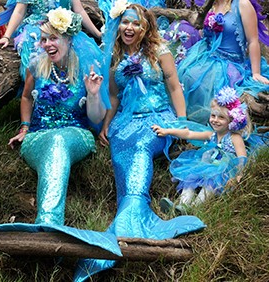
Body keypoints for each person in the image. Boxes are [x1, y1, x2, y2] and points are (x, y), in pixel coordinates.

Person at [73, 3, 206, 281]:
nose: (129, 28)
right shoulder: (115, 57)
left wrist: (180, 124)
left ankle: (130, 218)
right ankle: (130, 214)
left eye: (135, 23)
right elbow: (115, 96)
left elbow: (173, 87)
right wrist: (107, 124)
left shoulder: (160, 52)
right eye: (124, 23)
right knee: (123, 150)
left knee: (143, 145)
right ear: (118, 27)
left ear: (145, 27)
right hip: (125, 121)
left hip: (158, 119)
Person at [8, 7, 106, 225]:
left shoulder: (85, 68)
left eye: (53, 38)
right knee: (54, 145)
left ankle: (48, 223)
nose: (47, 45)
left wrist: (93, 95)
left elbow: (97, 118)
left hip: (76, 135)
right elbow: (26, 97)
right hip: (37, 137)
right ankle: (49, 226)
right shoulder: (36, 65)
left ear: (69, 39)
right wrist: (25, 127)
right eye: (44, 39)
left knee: (59, 141)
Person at [152, 86, 254, 215]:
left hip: (223, 170)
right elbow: (189, 134)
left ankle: (194, 208)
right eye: (213, 115)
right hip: (206, 165)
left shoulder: (235, 138)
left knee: (209, 185)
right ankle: (180, 205)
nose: (215, 120)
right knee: (190, 177)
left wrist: (238, 175)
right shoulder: (211, 135)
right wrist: (167, 131)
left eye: (221, 117)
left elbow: (242, 158)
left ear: (232, 120)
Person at [177, 0, 269, 125]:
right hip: (207, 55)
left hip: (231, 63)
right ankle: (187, 120)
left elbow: (253, 40)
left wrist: (256, 73)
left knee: (209, 85)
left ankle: (209, 124)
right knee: (187, 75)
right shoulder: (211, 5)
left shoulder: (242, 4)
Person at [0, 0, 102, 81]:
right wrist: (6, 36)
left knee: (85, 52)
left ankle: (74, 95)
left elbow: (79, 10)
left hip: (63, 28)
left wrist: (98, 34)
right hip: (38, 28)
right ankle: (43, 94)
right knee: (38, 52)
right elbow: (19, 11)